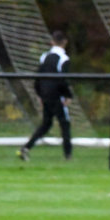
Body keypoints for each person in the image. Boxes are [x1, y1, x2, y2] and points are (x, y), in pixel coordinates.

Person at [18, 30, 73, 161]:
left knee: (46, 124)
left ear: (52, 42)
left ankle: (26, 148)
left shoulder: (44, 57)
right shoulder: (64, 59)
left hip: (45, 94)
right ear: (65, 42)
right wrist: (68, 95)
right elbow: (62, 80)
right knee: (64, 123)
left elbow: (38, 77)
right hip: (57, 95)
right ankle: (68, 155)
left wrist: (39, 94)